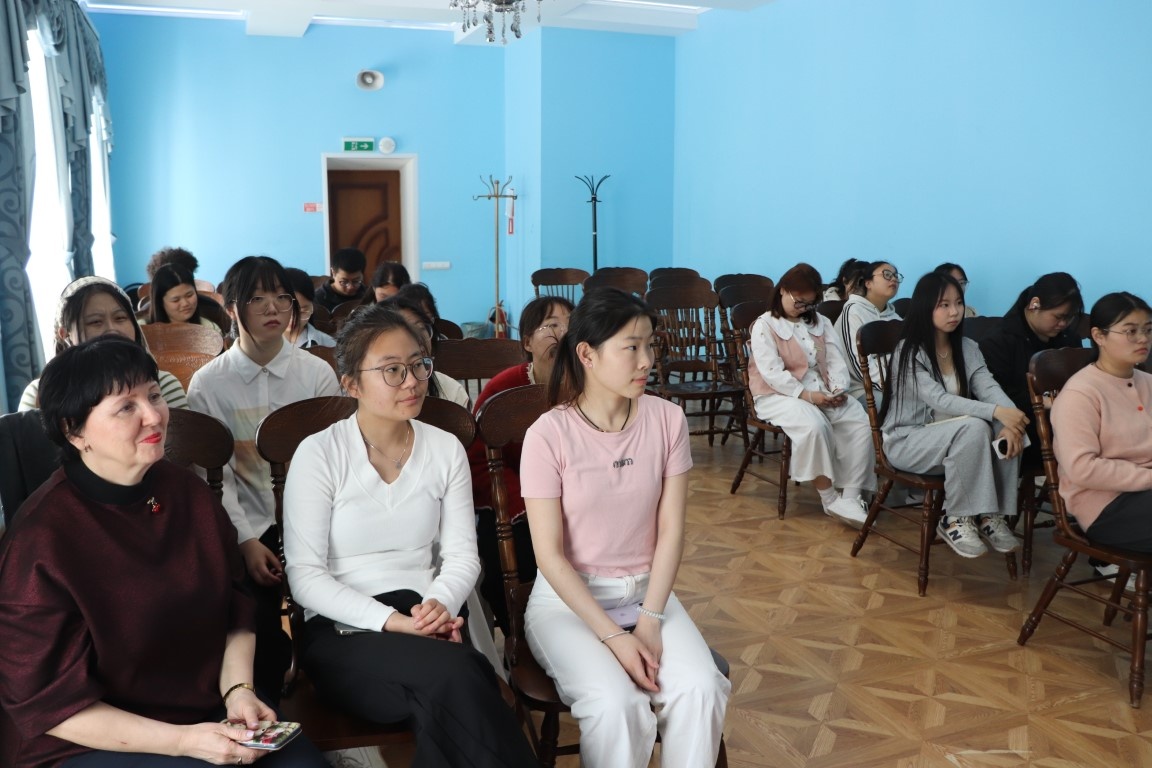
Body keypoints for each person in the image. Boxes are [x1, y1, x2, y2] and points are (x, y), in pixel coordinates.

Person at [0, 336, 326, 768]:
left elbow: (235, 605)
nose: (154, 415)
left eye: (153, 395)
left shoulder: (186, 491)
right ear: (73, 430)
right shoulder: (41, 540)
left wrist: (238, 691)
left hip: (205, 705)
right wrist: (185, 741)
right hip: (94, 735)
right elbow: (47, 702)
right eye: (126, 407)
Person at [282, 304, 538, 768]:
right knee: (462, 675)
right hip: (343, 631)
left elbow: (462, 556)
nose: (413, 381)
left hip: (427, 616)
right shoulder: (319, 454)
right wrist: (396, 623)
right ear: (351, 383)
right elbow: (305, 579)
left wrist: (439, 604)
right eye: (392, 370)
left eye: (419, 365)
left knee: (442, 696)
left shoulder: (444, 449)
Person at [521, 288, 731, 768]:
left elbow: (671, 530)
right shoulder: (548, 435)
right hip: (569, 604)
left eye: (650, 345)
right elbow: (549, 556)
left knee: (700, 688)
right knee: (617, 706)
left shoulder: (668, 419)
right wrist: (615, 638)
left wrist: (651, 620)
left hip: (648, 595)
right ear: (587, 354)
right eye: (631, 347)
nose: (646, 360)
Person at [188, 256, 341, 699]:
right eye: (257, 298)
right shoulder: (208, 384)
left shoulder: (316, 373)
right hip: (250, 523)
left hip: (318, 518)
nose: (273, 308)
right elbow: (215, 476)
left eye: (281, 297)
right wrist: (246, 540)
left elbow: (334, 460)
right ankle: (265, 699)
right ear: (232, 309)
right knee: (252, 618)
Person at [879, 272, 1029, 559]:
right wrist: (997, 412)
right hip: (908, 441)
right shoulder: (908, 351)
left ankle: (991, 515)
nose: (954, 312)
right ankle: (955, 518)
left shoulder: (968, 348)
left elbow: (988, 387)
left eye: (958, 303)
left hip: (952, 440)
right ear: (925, 307)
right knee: (977, 426)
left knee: (1009, 424)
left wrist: (1010, 419)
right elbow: (939, 399)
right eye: (944, 305)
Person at [467, 295, 575, 631]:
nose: (563, 334)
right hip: (514, 503)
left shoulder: (588, 386)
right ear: (527, 342)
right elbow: (479, 462)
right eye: (552, 325)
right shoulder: (503, 389)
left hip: (574, 501)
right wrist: (529, 504)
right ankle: (524, 634)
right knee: (513, 553)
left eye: (571, 325)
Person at [748, 263, 875, 527]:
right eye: (799, 301)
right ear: (782, 290)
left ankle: (850, 497)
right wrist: (807, 395)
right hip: (778, 395)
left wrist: (837, 389)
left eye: (809, 303)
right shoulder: (765, 325)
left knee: (860, 421)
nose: (803, 308)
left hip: (820, 390)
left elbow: (836, 361)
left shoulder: (821, 323)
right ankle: (830, 499)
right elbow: (772, 374)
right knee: (814, 426)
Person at [1051, 292, 1152, 552]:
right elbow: (1082, 468)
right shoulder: (1080, 393)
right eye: (1131, 331)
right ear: (1099, 336)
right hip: (1105, 506)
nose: (1143, 338)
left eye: (1148, 330)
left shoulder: (1148, 383)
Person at [19, 276, 188, 412]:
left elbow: (180, 443)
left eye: (120, 318)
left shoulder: (161, 385)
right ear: (65, 334)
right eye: (95, 322)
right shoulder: (39, 394)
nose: (112, 329)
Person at [979, 272, 1084, 464]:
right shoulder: (998, 341)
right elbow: (997, 395)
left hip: (1067, 419)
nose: (1063, 324)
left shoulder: (1069, 339)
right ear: (1034, 304)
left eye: (1069, 318)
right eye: (1058, 317)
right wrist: (1044, 401)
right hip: (1023, 425)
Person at [378, 294, 469, 407]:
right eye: (404, 332)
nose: (418, 339)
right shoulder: (373, 391)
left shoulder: (451, 391)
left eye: (420, 328)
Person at [836, 260, 903, 402]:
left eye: (896, 276)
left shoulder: (895, 318)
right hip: (863, 390)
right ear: (868, 283)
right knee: (908, 408)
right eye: (887, 275)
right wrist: (894, 388)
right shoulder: (853, 312)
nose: (893, 279)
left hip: (899, 387)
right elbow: (859, 365)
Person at [146, 263, 222, 332]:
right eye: (176, 300)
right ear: (160, 302)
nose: (185, 303)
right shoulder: (143, 331)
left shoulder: (210, 328)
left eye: (189, 295)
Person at [283, 268, 336, 349]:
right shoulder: (262, 343)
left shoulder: (329, 345)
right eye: (286, 310)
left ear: (312, 307)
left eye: (302, 311)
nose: (293, 318)